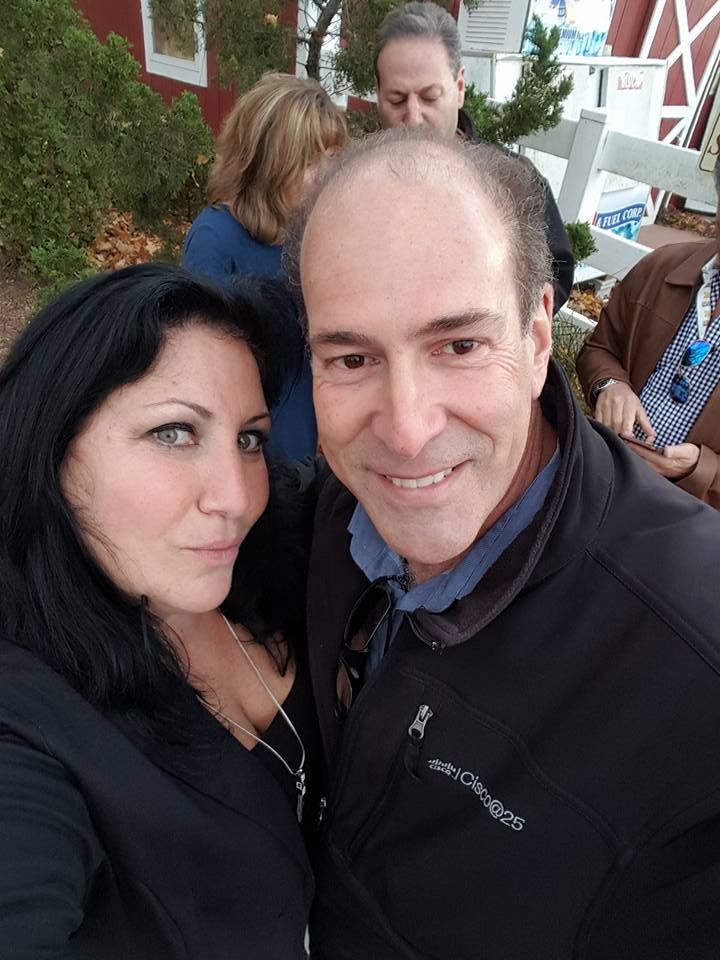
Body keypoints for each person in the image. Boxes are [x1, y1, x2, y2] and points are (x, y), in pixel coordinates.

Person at [283, 130, 720, 959]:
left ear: (538, 336)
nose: (406, 430)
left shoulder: (694, 665)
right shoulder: (327, 514)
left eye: (459, 345)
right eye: (352, 357)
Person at [0, 264, 317, 958]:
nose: (236, 498)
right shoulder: (26, 719)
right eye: (174, 433)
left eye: (249, 439)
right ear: (52, 446)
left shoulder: (273, 555)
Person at [182, 73, 347, 461]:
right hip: (247, 452)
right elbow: (205, 367)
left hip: (304, 450)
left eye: (332, 158)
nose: (324, 175)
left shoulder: (313, 236)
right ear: (268, 163)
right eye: (310, 161)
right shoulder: (215, 237)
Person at [373, 1, 574, 312]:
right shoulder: (358, 189)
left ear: (459, 87)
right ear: (378, 95)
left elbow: (556, 274)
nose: (413, 118)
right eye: (397, 100)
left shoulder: (516, 183)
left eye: (429, 97)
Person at [576, 169, 720, 508]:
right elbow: (599, 348)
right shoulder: (662, 267)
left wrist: (701, 469)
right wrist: (610, 385)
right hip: (600, 467)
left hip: (688, 515)